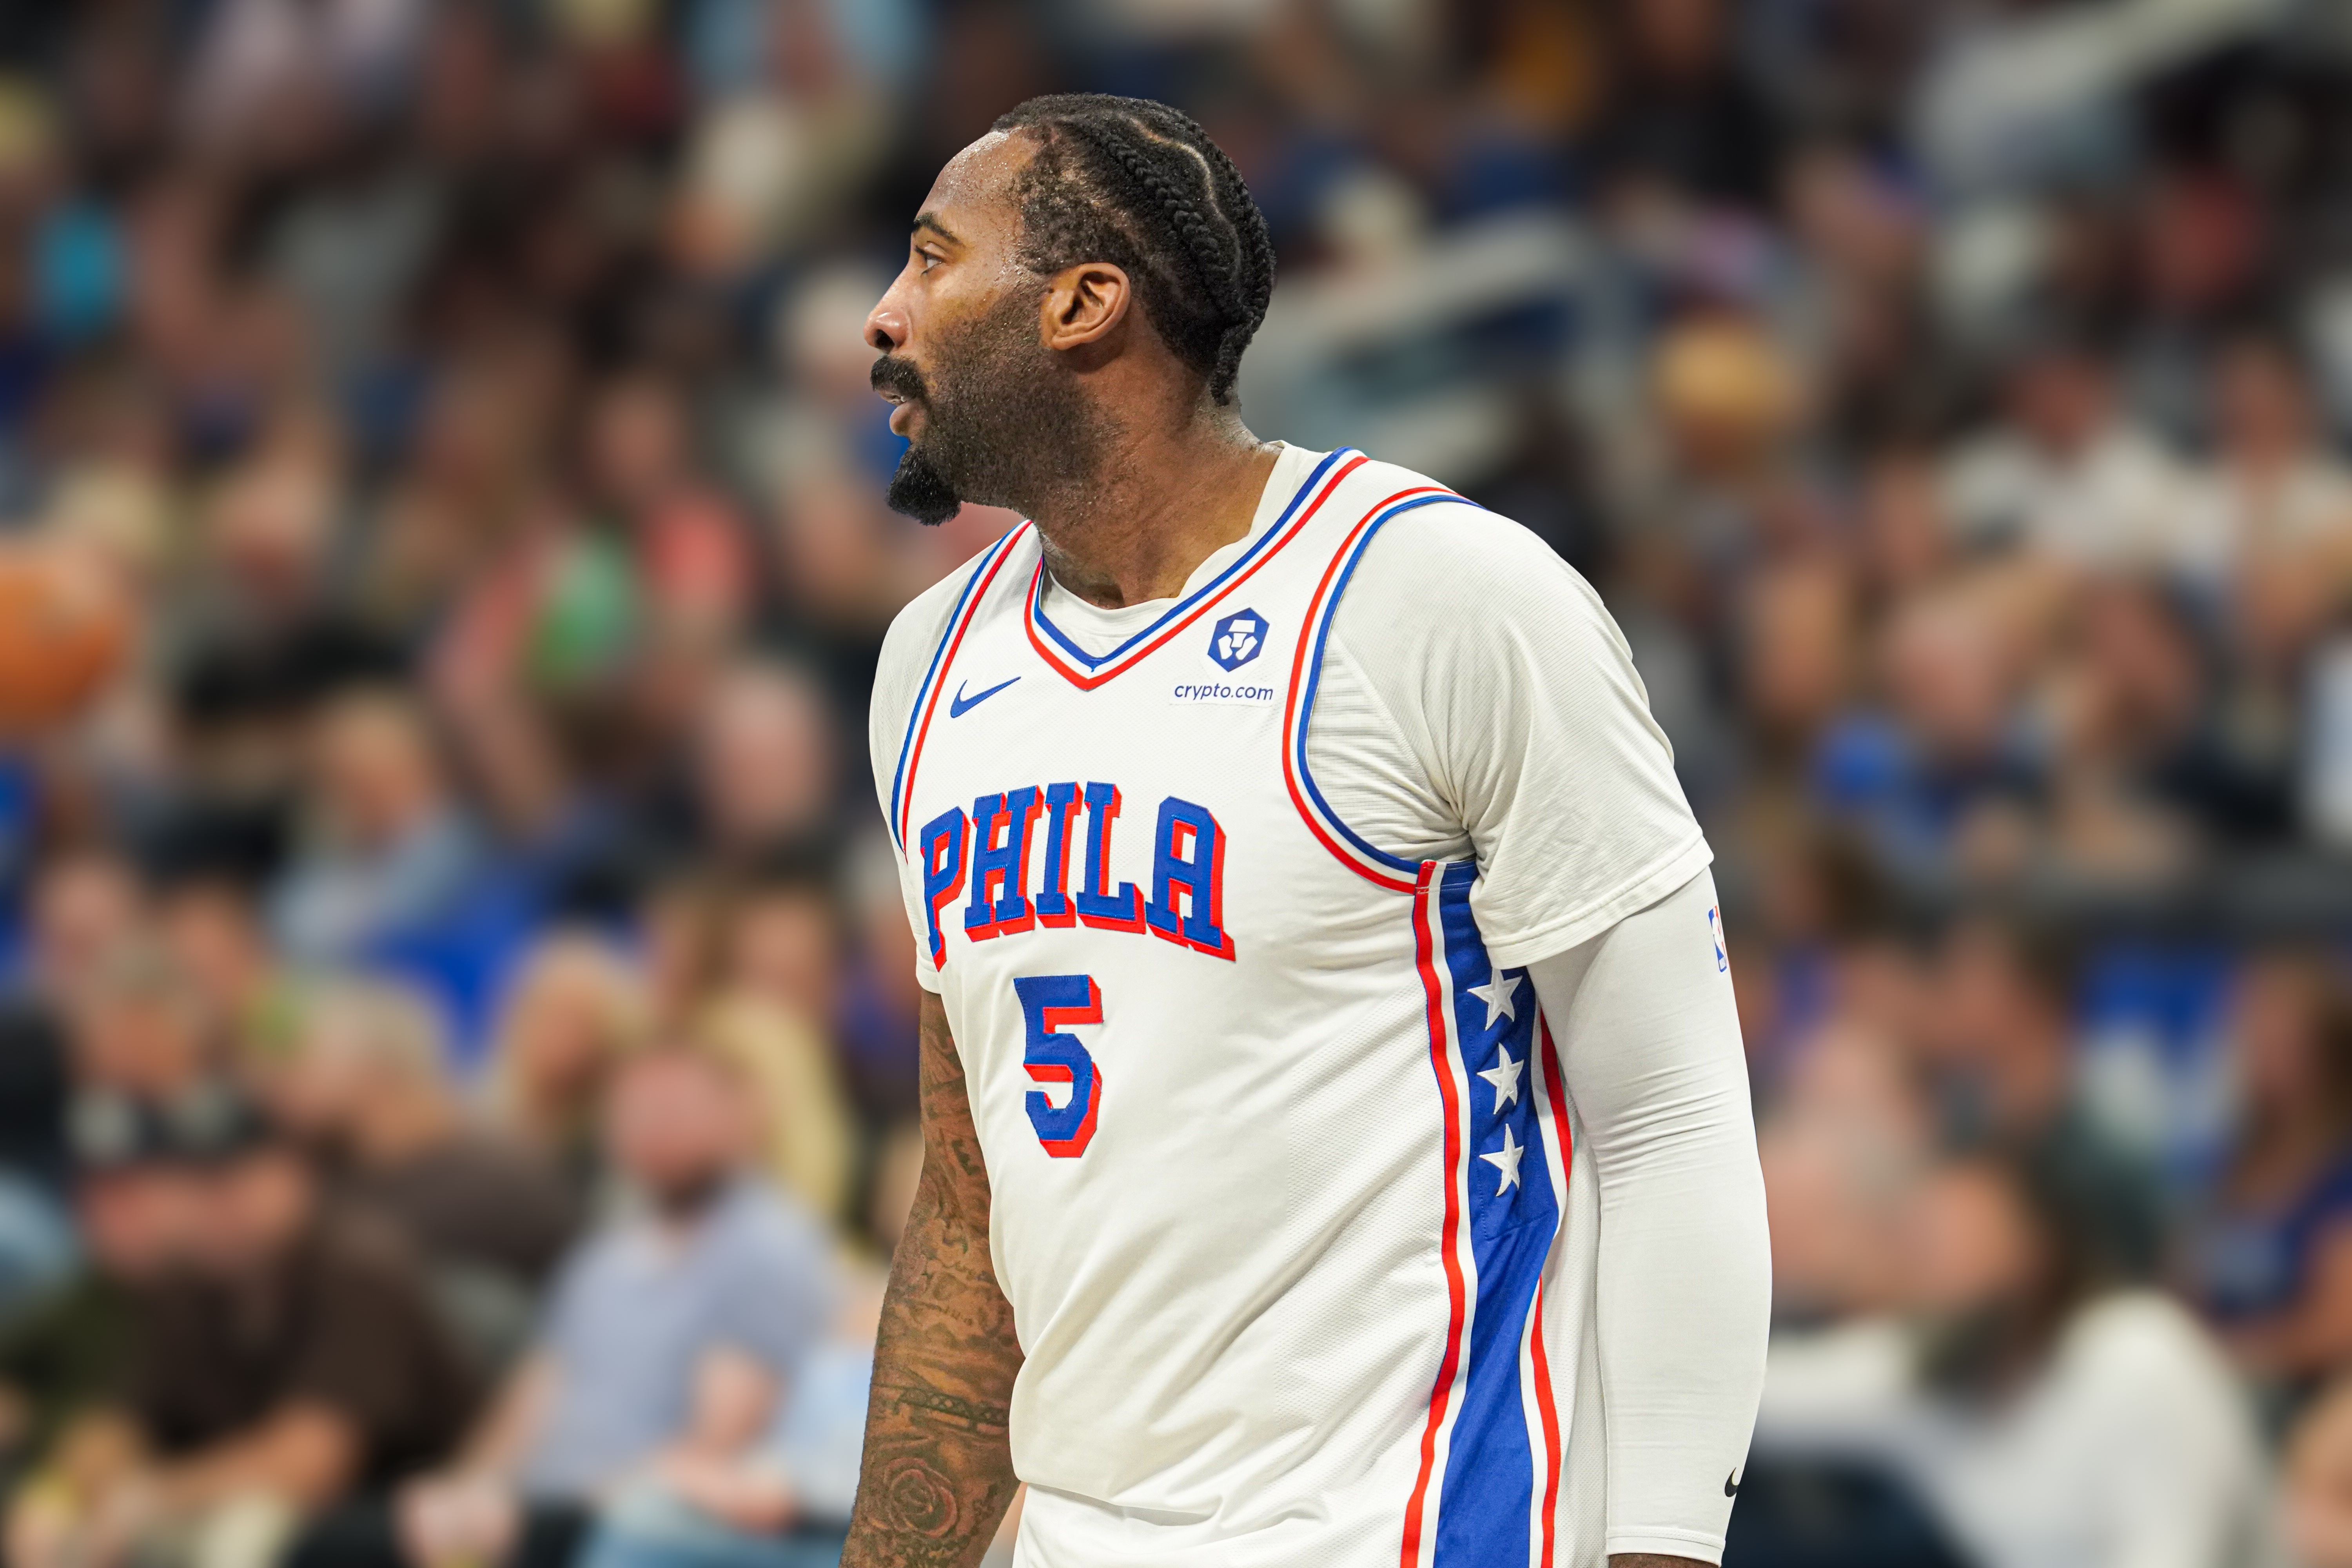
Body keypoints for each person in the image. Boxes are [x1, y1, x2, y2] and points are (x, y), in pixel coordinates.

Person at [853, 95, 1768, 1567]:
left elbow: (1669, 1119)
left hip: (1411, 1522)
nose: (883, 316)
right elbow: (966, 1207)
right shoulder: (929, 663)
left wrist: (1662, 1544)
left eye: (931, 258)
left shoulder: (1439, 597)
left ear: (1083, 304)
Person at [391, 1045, 837, 1568]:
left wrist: (546, 1512)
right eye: (635, 1113)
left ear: (741, 1115)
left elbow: (716, 1444)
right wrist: (468, 1490)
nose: (653, 1130)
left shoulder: (765, 1247)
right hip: (528, 1516)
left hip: (629, 1526)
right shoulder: (601, 1256)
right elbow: (532, 1398)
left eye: (674, 1110)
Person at [12, 1091, 481, 1568]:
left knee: (245, 1533)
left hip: (410, 1527)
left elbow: (309, 1465)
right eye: (198, 1183)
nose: (218, 1205)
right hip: (258, 1517)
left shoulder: (358, 1270)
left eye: (236, 1179)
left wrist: (146, 1500)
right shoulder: (191, 1280)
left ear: (295, 1173)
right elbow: (124, 1419)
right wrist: (58, 1498)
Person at [1756, 1151, 2277, 1568]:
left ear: (2039, 1248)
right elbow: (1758, 1399)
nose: (1939, 1268)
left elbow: (2174, 1554)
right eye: (1924, 1244)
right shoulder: (1925, 1373)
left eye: (1964, 1240)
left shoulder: (2138, 1354)